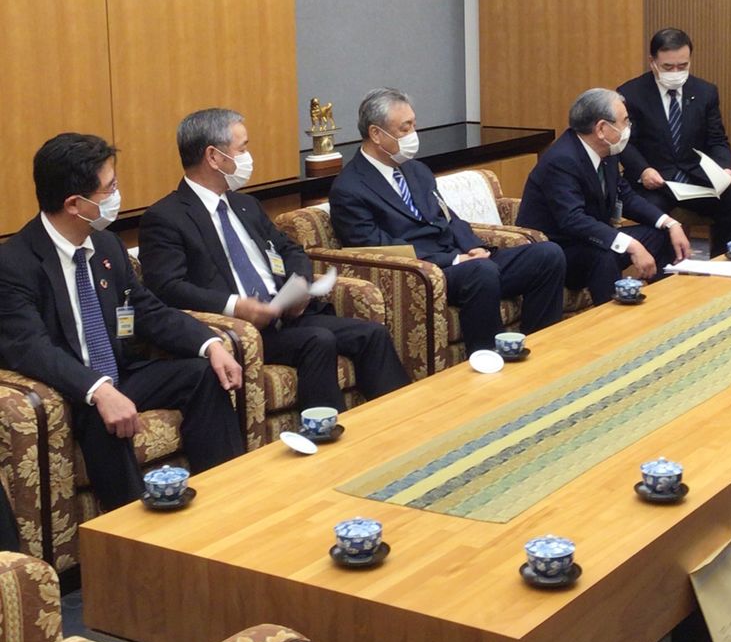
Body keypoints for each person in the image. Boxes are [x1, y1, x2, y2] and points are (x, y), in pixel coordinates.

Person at [0, 133, 245, 510]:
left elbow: (147, 311)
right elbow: (30, 348)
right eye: (109, 188)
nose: (117, 195)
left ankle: (227, 496)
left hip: (121, 372)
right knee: (103, 416)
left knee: (202, 374)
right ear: (74, 204)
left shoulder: (106, 245)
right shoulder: (15, 263)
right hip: (71, 391)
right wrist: (98, 389)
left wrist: (210, 344)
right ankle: (131, 527)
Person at [139, 108, 411, 412]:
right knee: (317, 340)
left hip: (287, 315)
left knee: (372, 334)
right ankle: (322, 433)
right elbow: (168, 288)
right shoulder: (166, 218)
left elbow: (290, 249)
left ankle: (401, 420)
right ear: (214, 157)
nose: (248, 157)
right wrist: (235, 306)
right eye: (242, 148)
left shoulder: (245, 205)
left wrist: (299, 285)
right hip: (241, 331)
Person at [330, 88, 566, 355]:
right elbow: (378, 248)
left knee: (548, 255)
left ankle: (542, 348)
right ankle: (489, 359)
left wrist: (474, 247)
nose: (413, 135)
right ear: (376, 133)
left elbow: (449, 217)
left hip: (461, 259)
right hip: (424, 273)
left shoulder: (416, 170)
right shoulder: (349, 188)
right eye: (405, 128)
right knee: (481, 272)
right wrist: (454, 260)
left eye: (414, 125)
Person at [516, 88, 692, 305]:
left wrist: (670, 223)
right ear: (601, 129)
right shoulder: (561, 160)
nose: (628, 128)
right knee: (604, 255)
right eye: (625, 121)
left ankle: (667, 304)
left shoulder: (607, 153)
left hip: (591, 239)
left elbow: (626, 197)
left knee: (659, 234)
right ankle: (612, 319)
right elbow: (573, 220)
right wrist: (632, 245)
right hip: (560, 250)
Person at [616, 28, 731, 257]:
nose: (676, 72)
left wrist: (724, 168)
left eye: (683, 66)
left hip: (694, 179)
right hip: (654, 181)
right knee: (654, 212)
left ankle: (721, 263)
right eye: (668, 67)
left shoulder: (705, 92)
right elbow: (624, 143)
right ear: (652, 62)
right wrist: (643, 170)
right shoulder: (631, 94)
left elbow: (717, 139)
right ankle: (665, 270)